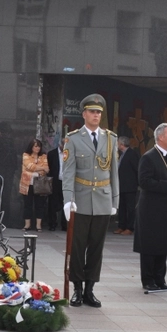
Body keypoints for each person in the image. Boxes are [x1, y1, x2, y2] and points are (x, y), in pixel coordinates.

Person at [62, 94, 119, 308]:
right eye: (92, 112)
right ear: (84, 114)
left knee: (96, 248)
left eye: (99, 112)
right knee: (77, 247)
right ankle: (76, 288)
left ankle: (90, 289)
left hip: (103, 200)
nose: (96, 115)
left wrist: (115, 201)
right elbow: (68, 172)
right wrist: (69, 200)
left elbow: (114, 173)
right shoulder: (73, 139)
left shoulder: (110, 138)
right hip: (82, 200)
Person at [134, 123, 167, 290]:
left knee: (163, 244)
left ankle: (160, 279)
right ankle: (148, 280)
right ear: (161, 137)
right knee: (150, 244)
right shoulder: (148, 156)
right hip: (150, 209)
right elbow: (144, 182)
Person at [19, 138, 50, 232]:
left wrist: (38, 169)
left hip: (40, 183)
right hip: (27, 184)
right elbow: (29, 166)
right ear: (31, 147)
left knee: (39, 205)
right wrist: (41, 168)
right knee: (27, 205)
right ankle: (27, 225)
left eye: (39, 146)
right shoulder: (25, 155)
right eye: (35, 146)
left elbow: (47, 169)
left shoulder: (43, 156)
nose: (37, 148)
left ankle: (38, 226)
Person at [115, 136, 140, 235]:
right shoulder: (121, 155)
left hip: (130, 186)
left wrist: (137, 183)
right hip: (121, 186)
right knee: (121, 207)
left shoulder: (132, 154)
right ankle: (121, 226)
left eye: (118, 143)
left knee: (130, 208)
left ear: (122, 144)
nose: (117, 145)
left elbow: (137, 169)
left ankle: (130, 227)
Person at [46, 138, 67, 231]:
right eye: (64, 146)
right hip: (55, 181)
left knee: (66, 203)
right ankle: (52, 223)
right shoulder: (51, 154)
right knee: (53, 203)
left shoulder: (70, 154)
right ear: (60, 145)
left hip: (66, 182)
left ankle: (65, 224)